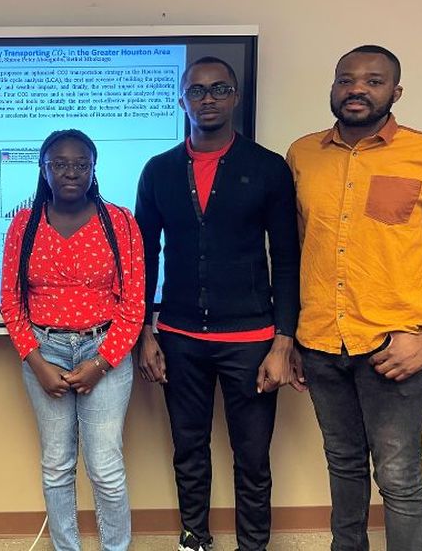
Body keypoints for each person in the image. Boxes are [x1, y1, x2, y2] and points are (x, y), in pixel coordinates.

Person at [135, 57, 302, 551]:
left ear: (234, 97)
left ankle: (253, 545)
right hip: (181, 339)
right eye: (197, 91)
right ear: (181, 99)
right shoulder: (160, 170)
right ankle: (195, 538)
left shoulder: (267, 167)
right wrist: (146, 334)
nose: (208, 99)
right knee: (188, 449)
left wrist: (282, 343)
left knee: (252, 457)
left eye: (219, 89)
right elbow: (146, 255)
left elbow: (288, 259)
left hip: (252, 342)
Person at [286, 45, 422, 551]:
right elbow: (295, 252)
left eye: (374, 81)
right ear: (333, 88)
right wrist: (290, 338)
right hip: (322, 342)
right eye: (346, 79)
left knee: (398, 476)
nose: (357, 89)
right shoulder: (302, 155)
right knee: (344, 466)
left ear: (395, 93)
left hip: (396, 350)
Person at [0, 129, 145, 551]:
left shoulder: (119, 222)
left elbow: (134, 303)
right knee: (57, 466)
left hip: (106, 353)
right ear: (44, 170)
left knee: (106, 468)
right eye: (59, 164)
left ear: (93, 168)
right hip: (44, 354)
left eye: (81, 164)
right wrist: (37, 362)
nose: (71, 172)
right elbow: (11, 301)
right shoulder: (24, 223)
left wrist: (101, 364)